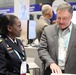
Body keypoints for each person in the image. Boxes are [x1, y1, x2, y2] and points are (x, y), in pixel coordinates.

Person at [38, 3, 76, 75]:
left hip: (72, 72)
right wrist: (51, 63)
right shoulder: (48, 30)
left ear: (71, 17)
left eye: (64, 18)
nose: (61, 21)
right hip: (52, 72)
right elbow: (42, 49)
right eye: (59, 18)